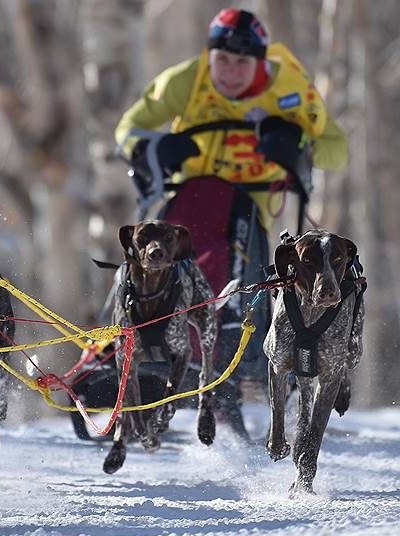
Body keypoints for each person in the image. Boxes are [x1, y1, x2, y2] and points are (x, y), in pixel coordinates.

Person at [113, 8, 348, 438]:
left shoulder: (289, 89)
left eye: (243, 62)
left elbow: (337, 151)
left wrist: (297, 143)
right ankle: (135, 351)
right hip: (188, 198)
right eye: (223, 60)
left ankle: (234, 371)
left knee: (240, 279)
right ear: (210, 56)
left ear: (261, 62)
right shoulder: (185, 80)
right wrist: (158, 146)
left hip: (255, 205)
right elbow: (127, 130)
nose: (231, 71)